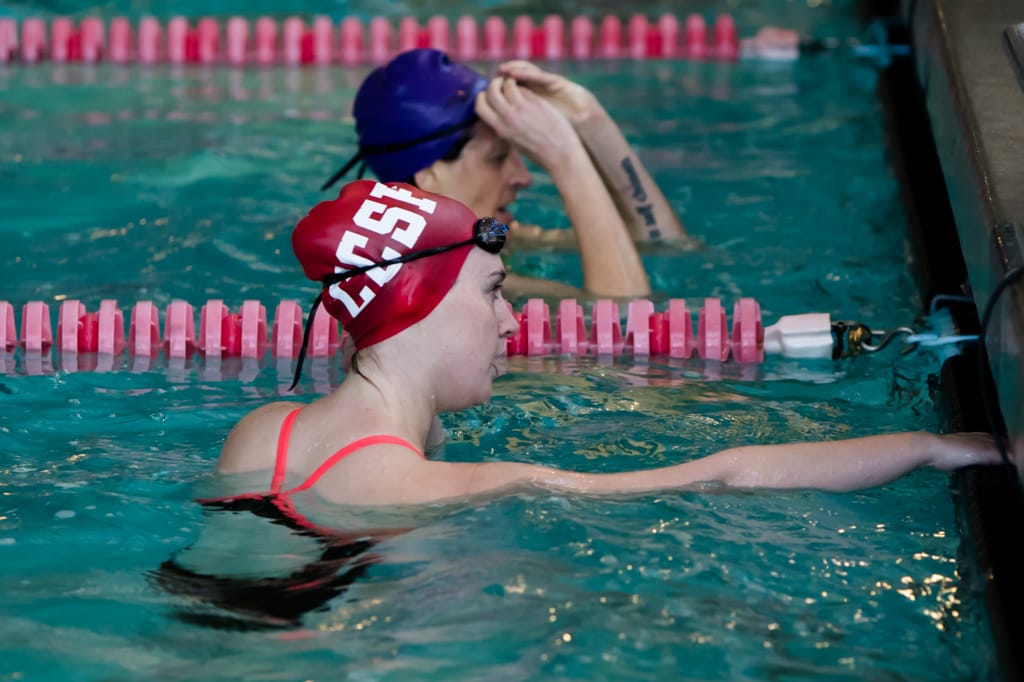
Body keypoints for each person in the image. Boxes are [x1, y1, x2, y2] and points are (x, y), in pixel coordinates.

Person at [214, 179, 1001, 508]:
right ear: (414, 309)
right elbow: (720, 477)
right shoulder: (413, 484)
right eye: (493, 296)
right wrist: (939, 449)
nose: (513, 323)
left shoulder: (264, 431)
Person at [320, 48, 692, 299]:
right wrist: (567, 160)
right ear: (428, 173)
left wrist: (592, 123)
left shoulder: (494, 236)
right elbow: (628, 319)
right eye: (499, 158)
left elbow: (663, 245)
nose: (523, 177)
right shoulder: (441, 283)